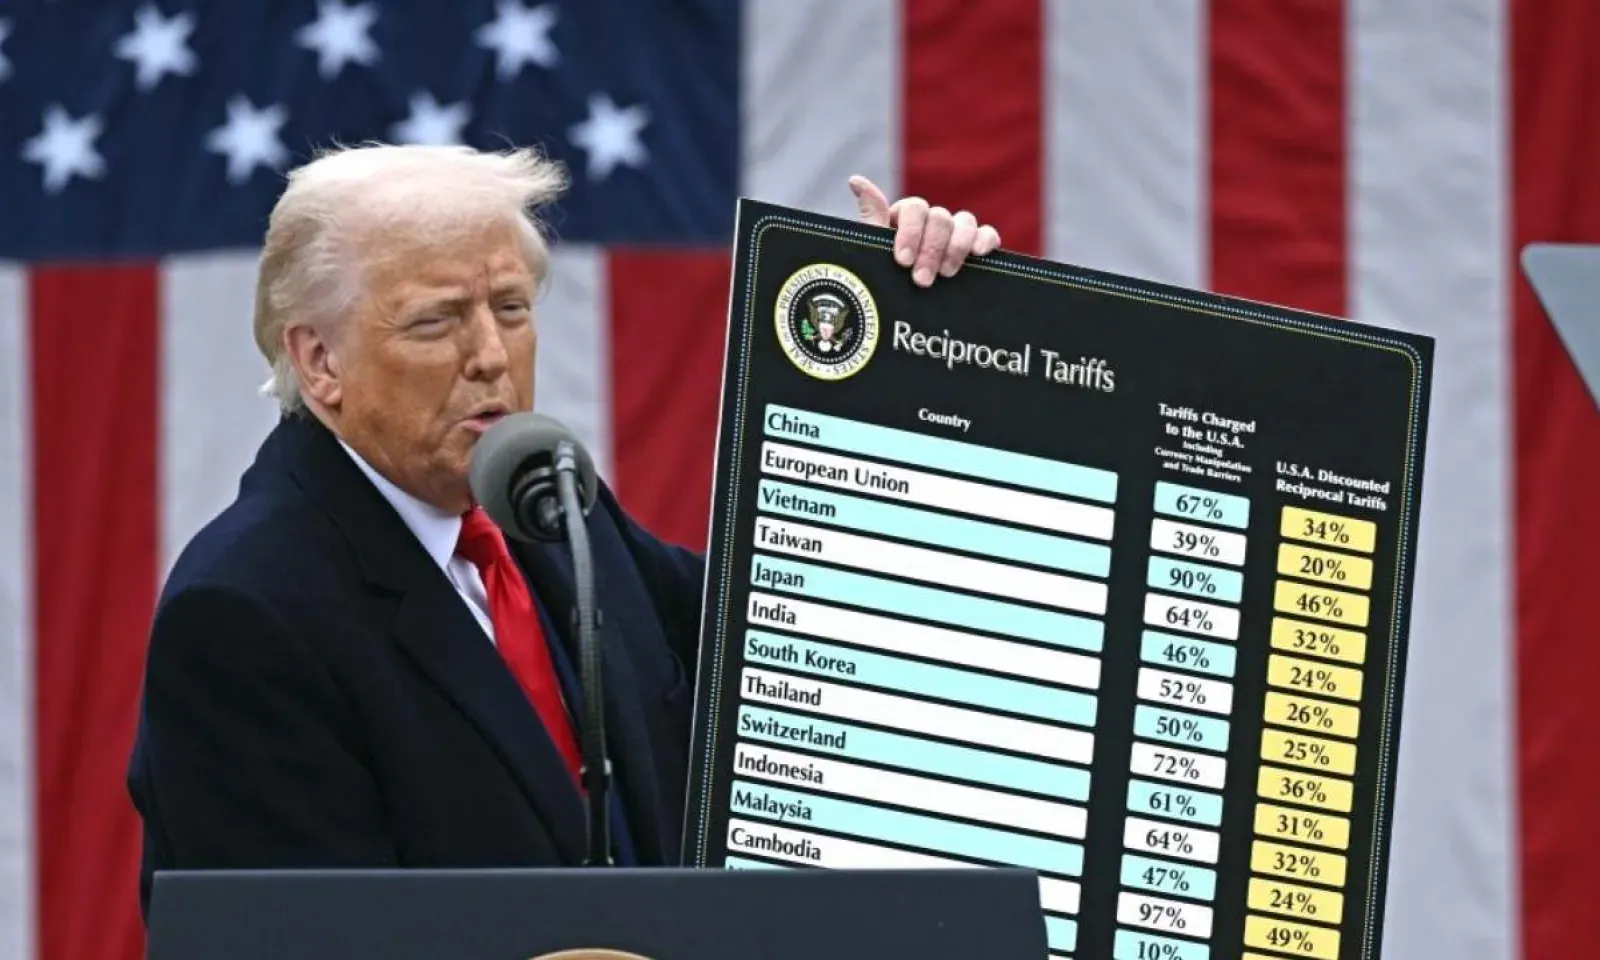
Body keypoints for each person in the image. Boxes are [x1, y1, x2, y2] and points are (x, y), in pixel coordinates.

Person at [125, 142, 1003, 918]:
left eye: (511, 309)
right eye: (437, 320)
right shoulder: (244, 614)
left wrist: (904, 348)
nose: (490, 355)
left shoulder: (547, 509)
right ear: (320, 361)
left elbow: (795, 646)